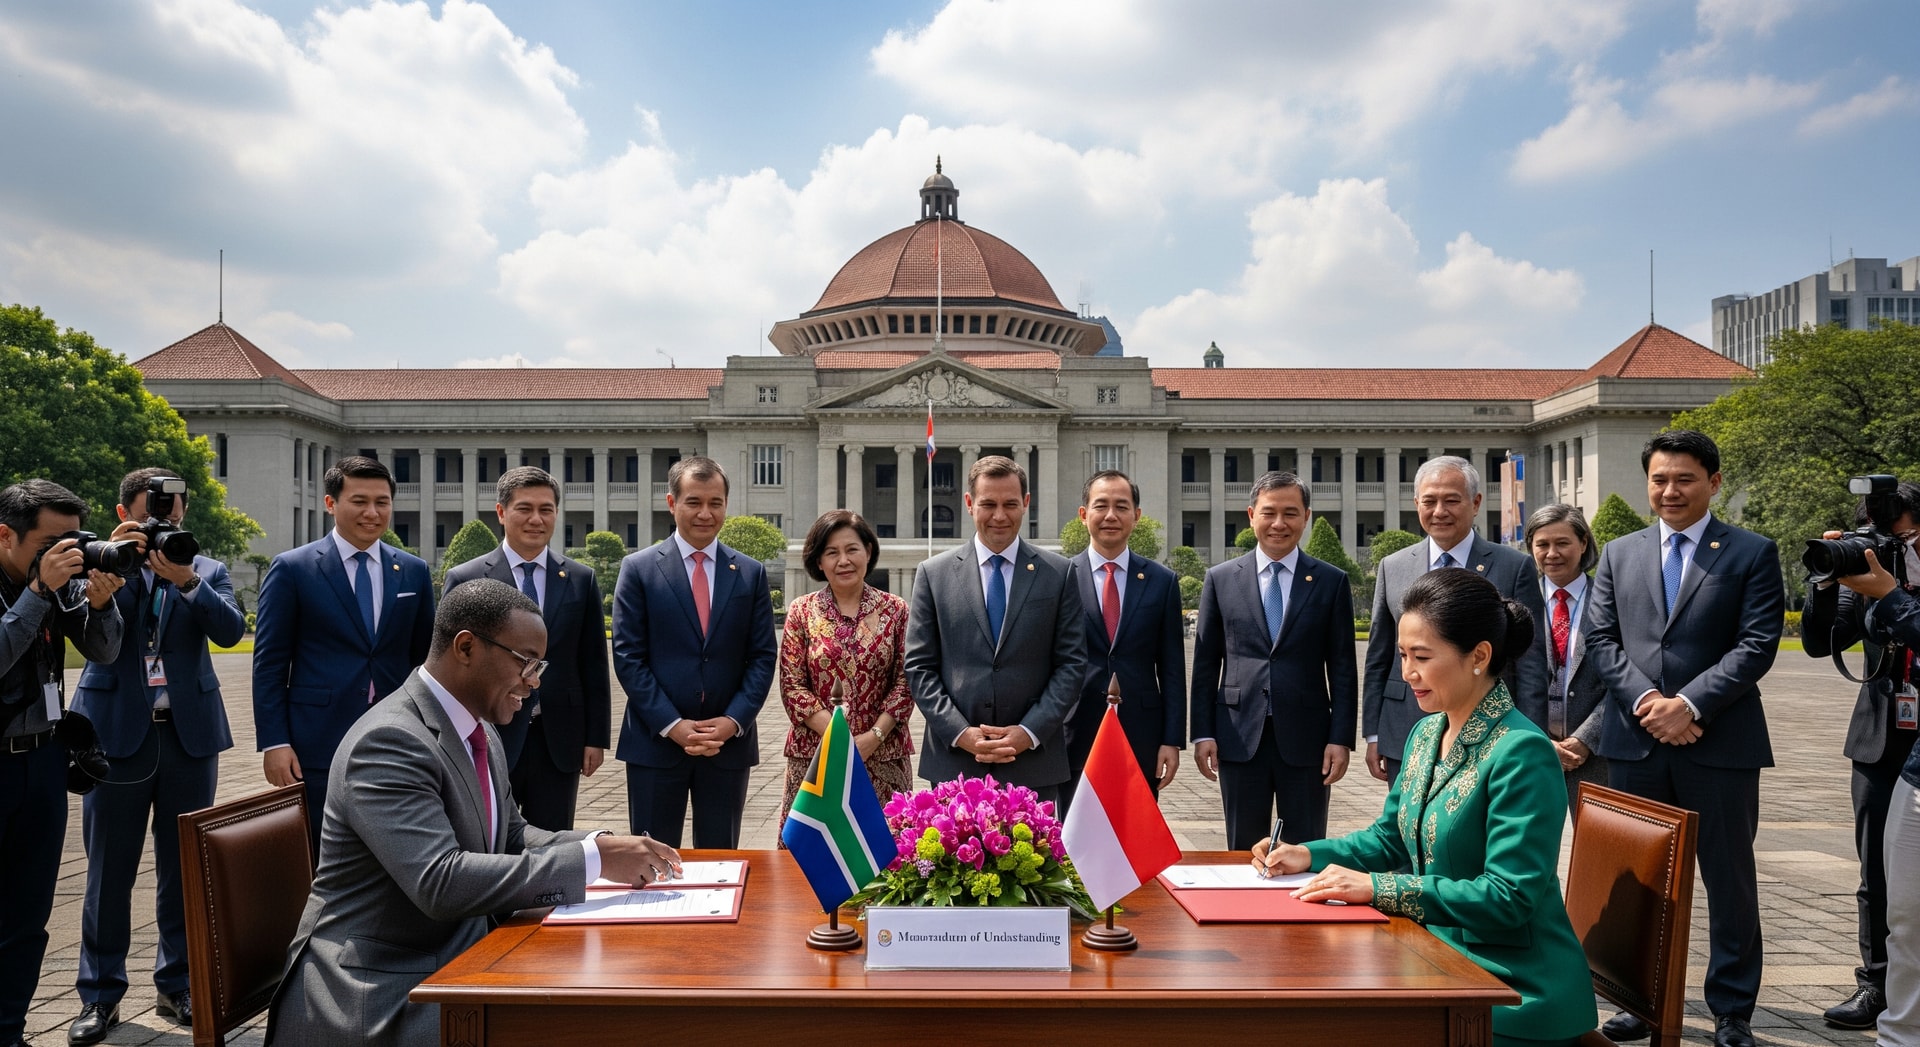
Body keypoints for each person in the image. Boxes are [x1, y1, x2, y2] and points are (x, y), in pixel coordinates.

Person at [265, 579, 682, 1047]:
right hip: (378, 991)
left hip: (452, 954)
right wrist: (593, 862)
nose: (535, 680)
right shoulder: (389, 742)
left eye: (539, 665)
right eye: (526, 661)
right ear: (466, 647)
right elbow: (440, 881)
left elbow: (512, 836)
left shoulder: (478, 729)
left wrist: (598, 845)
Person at [1252, 569, 1596, 1047]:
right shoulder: (1427, 732)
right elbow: (1390, 838)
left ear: (1479, 656)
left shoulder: (1522, 751)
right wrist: (1307, 854)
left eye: (1422, 657)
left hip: (1511, 988)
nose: (1408, 673)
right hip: (1434, 959)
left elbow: (1508, 898)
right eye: (1403, 656)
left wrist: (1377, 887)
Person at [1584, 429, 1782, 1047]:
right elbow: (1601, 640)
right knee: (1637, 879)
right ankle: (1634, 998)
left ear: (1713, 483)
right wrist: (1650, 703)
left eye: (1684, 479)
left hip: (1718, 742)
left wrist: (1690, 704)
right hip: (1635, 738)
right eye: (1660, 479)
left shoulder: (1751, 552)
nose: (1670, 490)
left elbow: (1757, 643)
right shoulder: (1620, 552)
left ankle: (1732, 1011)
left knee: (1729, 880)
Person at [68, 469, 246, 1043]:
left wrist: (187, 581)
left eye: (175, 508)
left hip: (188, 738)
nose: (167, 518)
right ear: (124, 512)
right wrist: (110, 582)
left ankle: (180, 984)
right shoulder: (99, 564)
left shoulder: (205, 570)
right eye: (154, 508)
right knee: (108, 871)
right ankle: (99, 995)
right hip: (117, 734)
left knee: (185, 869)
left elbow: (231, 631)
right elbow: (85, 635)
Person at [252, 455, 434, 854]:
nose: (373, 513)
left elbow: (425, 660)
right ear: (331, 503)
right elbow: (269, 664)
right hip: (317, 740)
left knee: (396, 850)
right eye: (360, 501)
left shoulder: (413, 571)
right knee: (321, 854)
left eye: (382, 502)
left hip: (397, 737)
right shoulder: (293, 569)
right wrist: (274, 741)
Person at [0, 480, 125, 1047]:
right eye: (51, 543)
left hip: (43, 762)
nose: (65, 554)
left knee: (28, 916)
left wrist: (100, 602)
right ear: (7, 535)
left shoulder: (58, 585)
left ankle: (10, 1031)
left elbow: (104, 650)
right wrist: (36, 593)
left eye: (73, 540)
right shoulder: (39, 586)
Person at [1802, 481, 1920, 1030]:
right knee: (1875, 870)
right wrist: (1827, 580)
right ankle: (1875, 984)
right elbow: (1819, 642)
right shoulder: (1870, 569)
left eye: (1908, 537)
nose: (1897, 546)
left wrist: (1894, 591)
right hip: (1880, 733)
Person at [612, 455, 775, 848]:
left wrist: (733, 720)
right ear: (672, 503)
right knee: (650, 861)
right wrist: (672, 724)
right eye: (694, 502)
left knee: (721, 861)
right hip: (655, 742)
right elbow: (628, 657)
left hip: (726, 746)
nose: (705, 513)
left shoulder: (750, 573)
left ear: (726, 505)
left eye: (715, 503)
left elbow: (762, 656)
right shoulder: (639, 569)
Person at [905, 455, 1086, 804]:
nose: (999, 516)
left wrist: (1028, 732)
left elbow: (1071, 664)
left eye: (1010, 504)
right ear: (969, 503)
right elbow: (919, 667)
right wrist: (961, 733)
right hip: (955, 762)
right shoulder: (933, 574)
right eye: (988, 504)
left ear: (1026, 503)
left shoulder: (1058, 573)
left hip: (1033, 763)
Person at [1190, 471, 1356, 848]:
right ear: (1252, 516)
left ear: (1306, 517)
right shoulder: (1220, 579)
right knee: (1241, 849)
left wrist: (1340, 739)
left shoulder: (1331, 582)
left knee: (1306, 849)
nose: (1279, 523)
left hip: (1308, 739)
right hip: (1238, 735)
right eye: (1269, 512)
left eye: (1290, 513)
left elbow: (1343, 668)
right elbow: (1205, 666)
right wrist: (1203, 732)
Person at [443, 467, 610, 830]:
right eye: (525, 508)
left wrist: (595, 738)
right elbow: (449, 666)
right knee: (487, 837)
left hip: (558, 739)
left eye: (546, 509)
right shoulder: (467, 578)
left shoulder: (580, 579)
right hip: (488, 735)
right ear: (501, 512)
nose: (537, 519)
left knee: (554, 842)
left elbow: (593, 662)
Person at [1364, 455, 1548, 784]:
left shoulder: (1513, 566)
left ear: (1475, 503)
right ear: (1416, 504)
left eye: (1451, 500)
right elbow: (1379, 657)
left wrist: (1533, 733)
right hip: (1403, 727)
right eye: (1429, 501)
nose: (1439, 511)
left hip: (1491, 731)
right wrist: (1373, 733)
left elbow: (1531, 661)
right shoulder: (1393, 567)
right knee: (1406, 816)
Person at [776, 510, 913, 829]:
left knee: (884, 850)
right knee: (814, 853)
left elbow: (906, 682)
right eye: (831, 552)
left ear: (868, 551)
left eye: (852, 549)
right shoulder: (802, 611)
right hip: (816, 756)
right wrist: (841, 739)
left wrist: (873, 737)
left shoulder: (896, 610)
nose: (843, 561)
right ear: (819, 561)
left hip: (882, 755)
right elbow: (792, 686)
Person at [1059, 470, 1185, 818]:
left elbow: (1172, 668)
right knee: (1073, 833)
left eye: (1122, 506)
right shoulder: (1060, 578)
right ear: (1084, 514)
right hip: (1074, 731)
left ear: (1136, 515)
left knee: (1134, 833)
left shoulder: (1161, 581)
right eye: (1101, 506)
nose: (1111, 515)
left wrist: (1171, 739)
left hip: (1141, 734)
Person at [1524, 503, 1608, 805]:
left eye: (1562, 543)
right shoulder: (1517, 602)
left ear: (1583, 543)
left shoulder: (1610, 600)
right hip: (1531, 753)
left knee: (1597, 836)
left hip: (1597, 755)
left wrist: (1586, 738)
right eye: (1542, 545)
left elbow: (1625, 680)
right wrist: (1539, 740)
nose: (1552, 553)